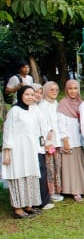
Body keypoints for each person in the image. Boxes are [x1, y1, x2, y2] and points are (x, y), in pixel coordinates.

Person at [2, 86, 42, 218]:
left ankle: (28, 205)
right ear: (20, 95)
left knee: (30, 175)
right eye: (27, 94)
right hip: (17, 150)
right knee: (19, 175)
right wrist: (7, 152)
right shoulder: (15, 111)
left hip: (30, 149)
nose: (30, 97)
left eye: (32, 94)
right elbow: (8, 131)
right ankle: (18, 209)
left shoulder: (32, 111)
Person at [57, 79, 84, 202]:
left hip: (81, 140)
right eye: (70, 88)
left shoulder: (81, 103)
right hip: (69, 141)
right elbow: (61, 125)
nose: (73, 91)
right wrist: (65, 141)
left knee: (80, 165)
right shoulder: (63, 104)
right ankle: (74, 190)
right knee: (71, 167)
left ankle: (83, 188)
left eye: (75, 88)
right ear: (66, 90)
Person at [40, 81, 64, 202]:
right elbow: (42, 123)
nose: (54, 91)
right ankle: (50, 191)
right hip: (49, 141)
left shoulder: (56, 104)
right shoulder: (42, 106)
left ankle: (58, 189)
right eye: (51, 89)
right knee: (49, 167)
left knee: (58, 166)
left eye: (56, 89)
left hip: (58, 140)